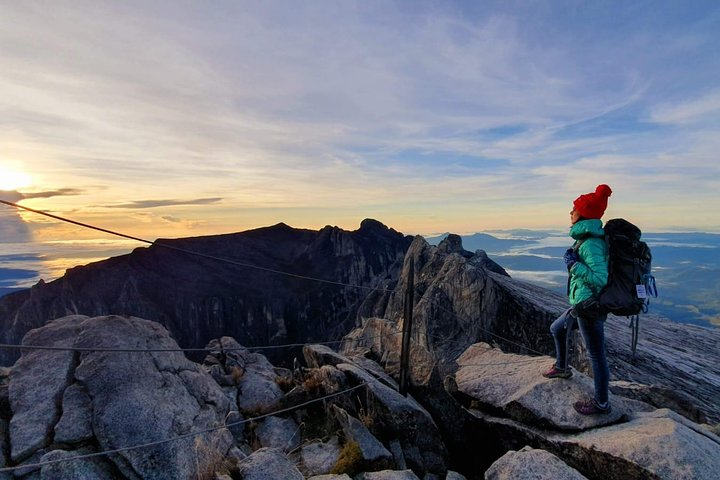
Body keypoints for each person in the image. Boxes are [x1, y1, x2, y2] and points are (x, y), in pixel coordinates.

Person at [543, 184, 613, 415]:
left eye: (573, 209)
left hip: (589, 306)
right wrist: (575, 262)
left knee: (596, 355)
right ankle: (562, 367)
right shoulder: (586, 238)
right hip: (582, 303)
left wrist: (574, 265)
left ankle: (602, 403)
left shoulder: (591, 243)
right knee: (557, 328)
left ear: (582, 214)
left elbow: (600, 279)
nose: (570, 213)